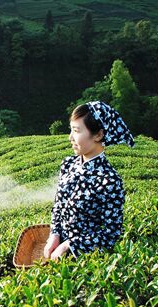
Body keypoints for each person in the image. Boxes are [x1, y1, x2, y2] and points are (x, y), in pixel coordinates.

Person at [43, 101, 135, 260]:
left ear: (98, 134)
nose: (70, 137)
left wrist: (70, 245)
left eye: (76, 131)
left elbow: (111, 234)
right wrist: (55, 234)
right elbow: (58, 206)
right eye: (70, 130)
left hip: (84, 258)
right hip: (56, 252)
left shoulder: (109, 180)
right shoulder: (68, 164)